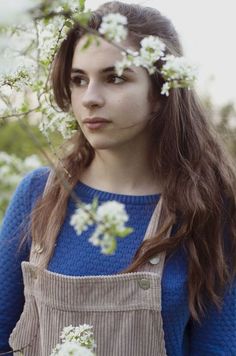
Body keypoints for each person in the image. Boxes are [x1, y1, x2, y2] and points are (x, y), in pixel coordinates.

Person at [0, 1, 236, 355]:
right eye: (78, 80)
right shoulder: (38, 193)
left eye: (114, 78)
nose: (89, 99)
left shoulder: (207, 207)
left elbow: (217, 346)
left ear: (159, 93)